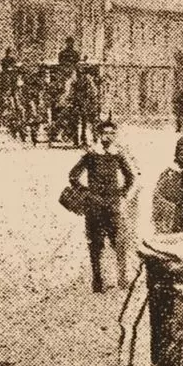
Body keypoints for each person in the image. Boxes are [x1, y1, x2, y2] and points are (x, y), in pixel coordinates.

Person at [67, 120, 135, 291]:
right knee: (95, 244)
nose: (108, 136)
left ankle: (122, 280)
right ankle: (97, 281)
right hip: (94, 206)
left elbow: (130, 177)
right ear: (98, 134)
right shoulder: (91, 154)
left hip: (113, 206)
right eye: (105, 133)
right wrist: (86, 192)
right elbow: (73, 176)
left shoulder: (117, 154)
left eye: (112, 133)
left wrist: (121, 192)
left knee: (118, 242)